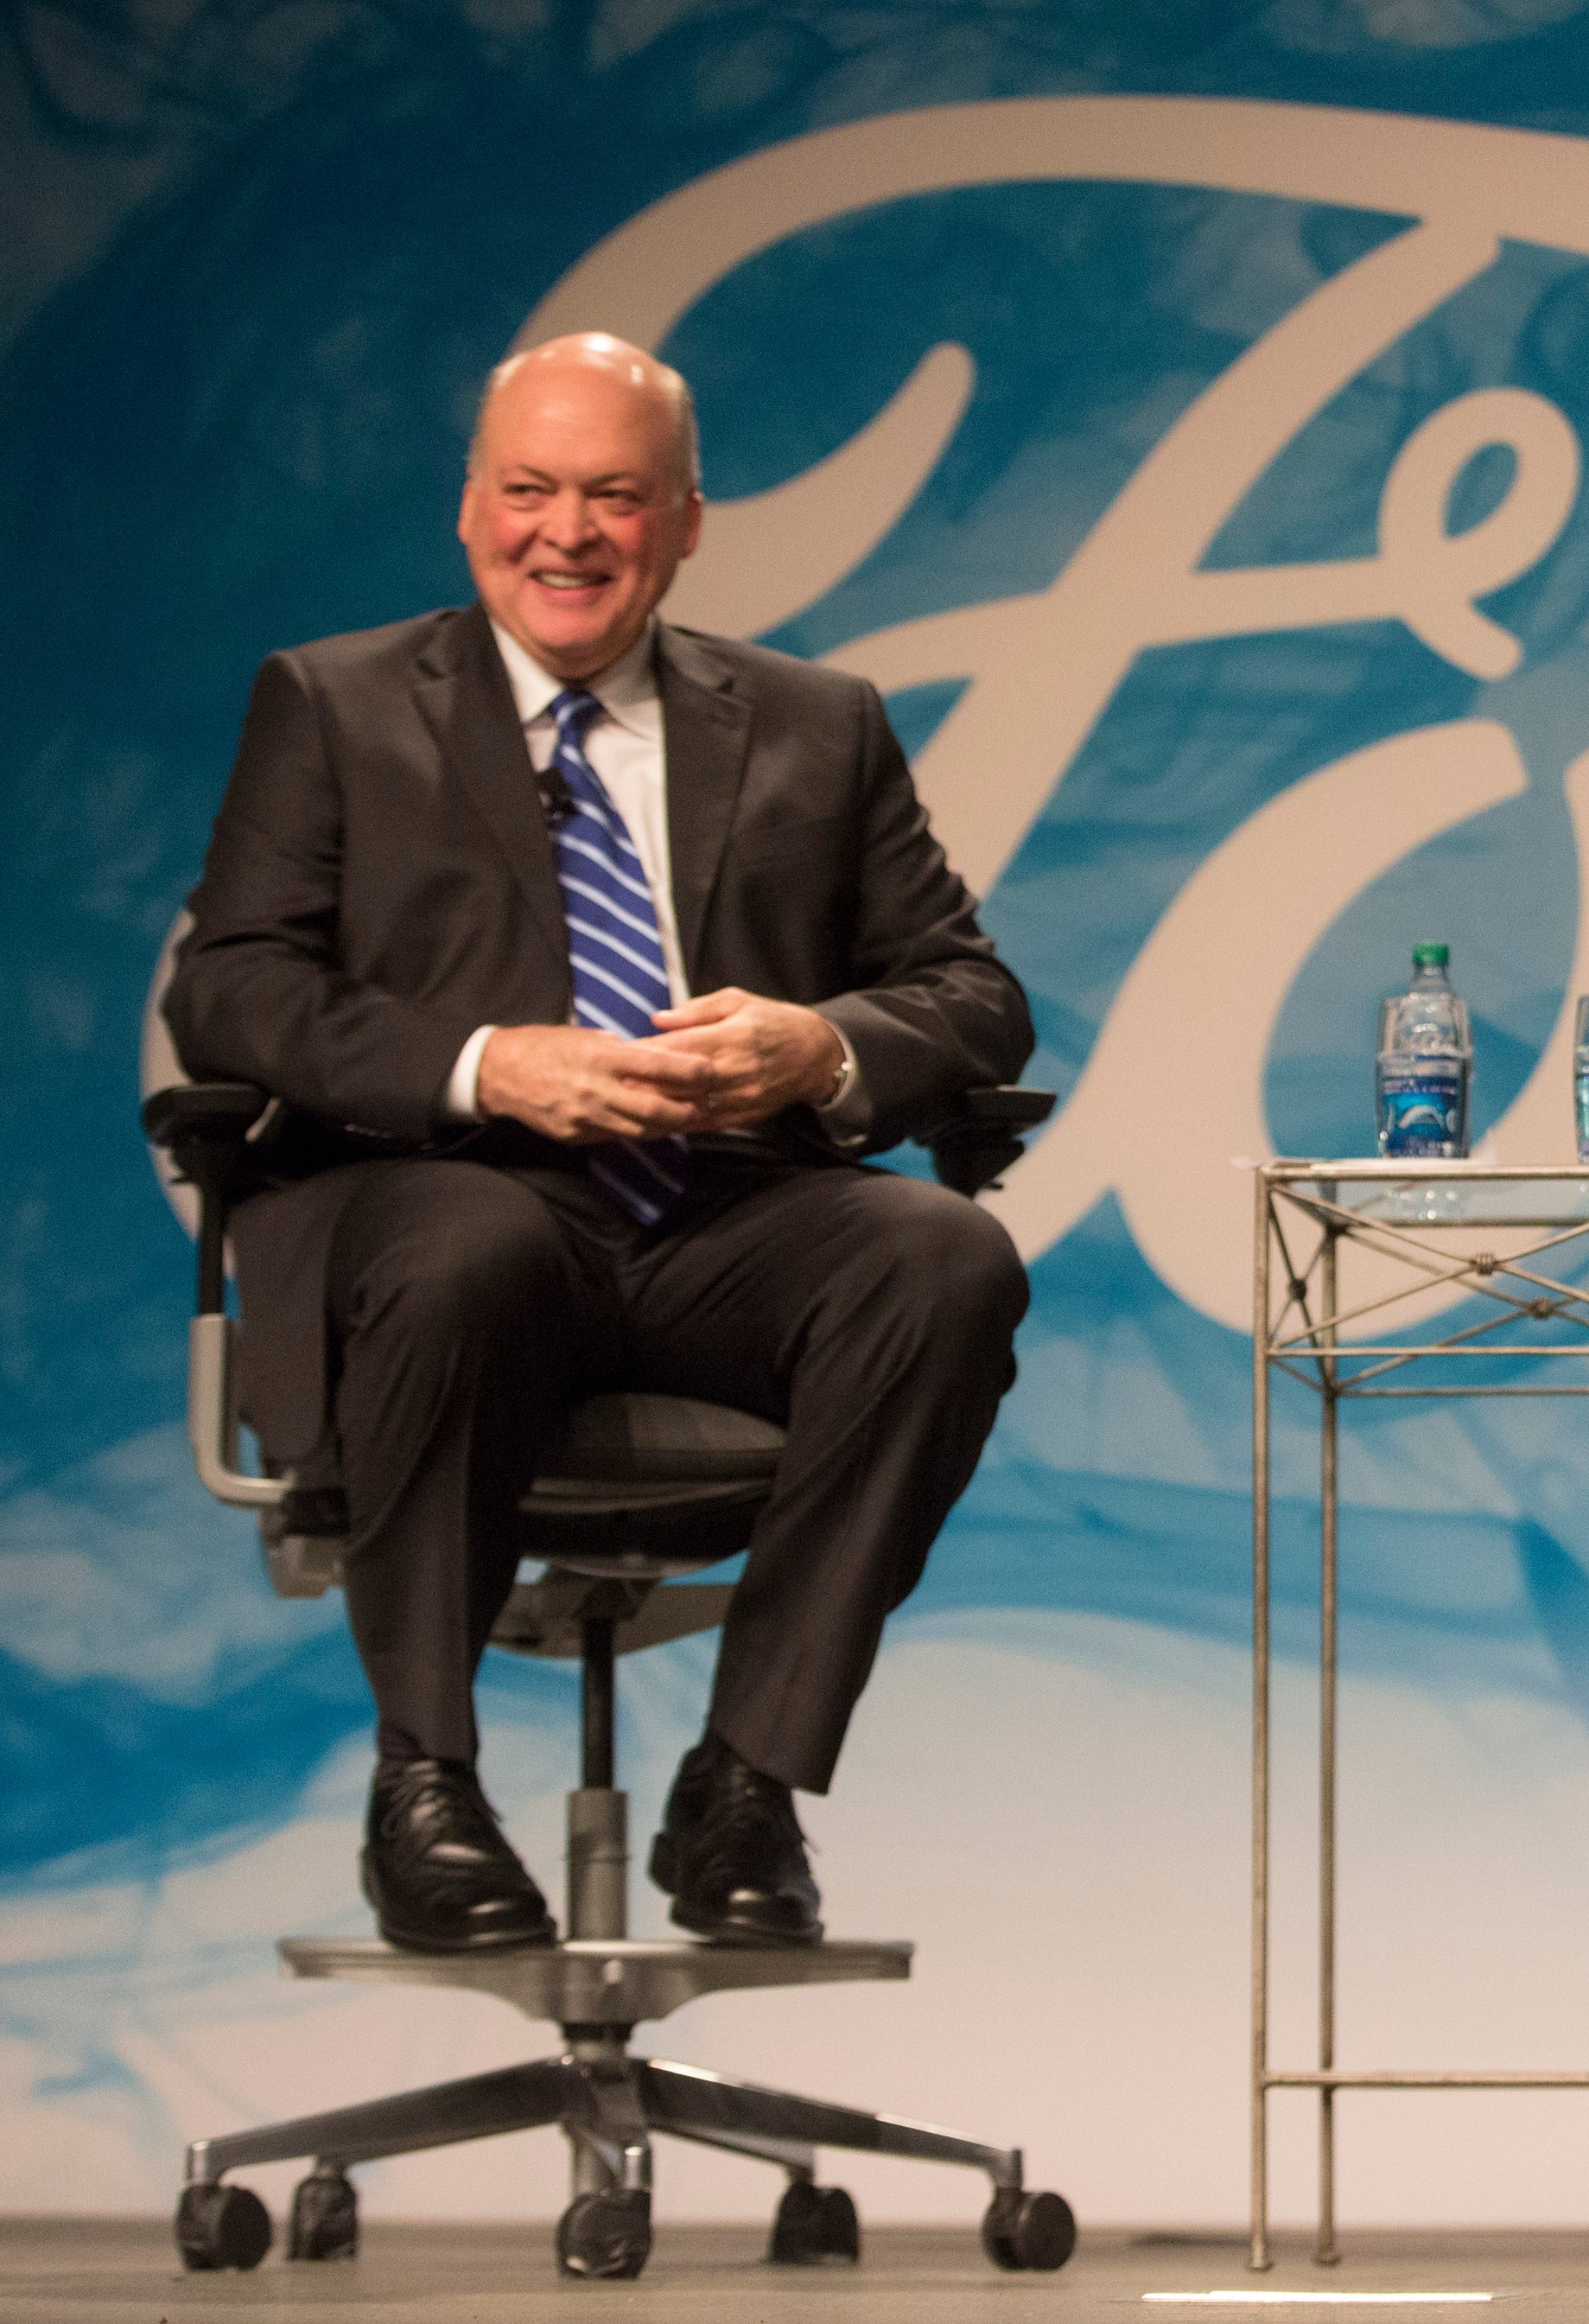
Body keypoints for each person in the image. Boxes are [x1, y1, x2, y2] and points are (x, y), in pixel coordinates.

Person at [164, 334, 1034, 1955]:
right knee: (472, 1242)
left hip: (721, 1227)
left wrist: (819, 1045)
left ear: (686, 522)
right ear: (470, 509)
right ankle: (424, 1783)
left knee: (945, 1256)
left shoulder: (816, 725)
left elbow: (973, 998)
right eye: (530, 490)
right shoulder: (336, 703)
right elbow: (229, 987)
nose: (566, 533)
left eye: (615, 497)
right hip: (442, 1210)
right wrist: (491, 1068)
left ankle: (750, 1779)